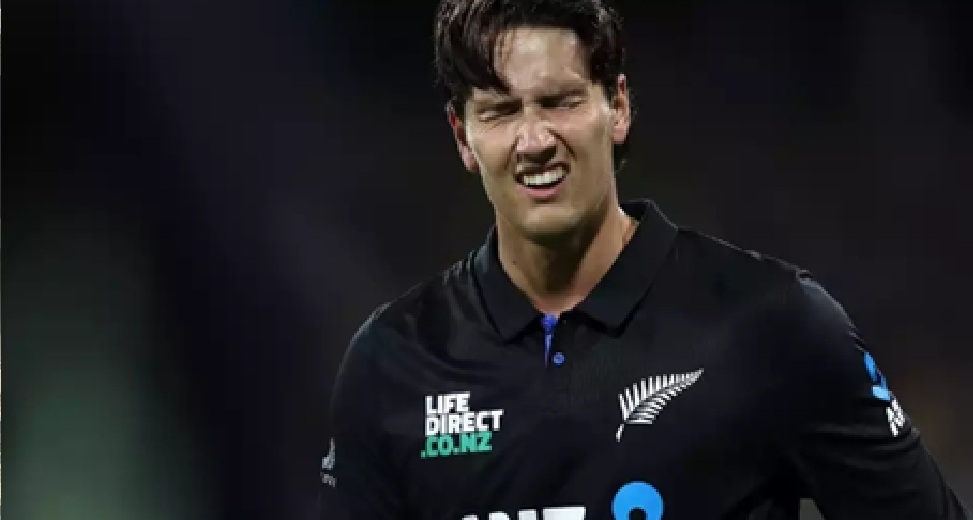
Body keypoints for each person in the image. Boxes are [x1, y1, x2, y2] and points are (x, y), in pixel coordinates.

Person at [318, 0, 970, 518]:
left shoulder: (773, 324)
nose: (534, 140)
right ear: (463, 137)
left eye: (560, 101)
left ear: (619, 107)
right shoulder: (393, 362)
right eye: (500, 111)